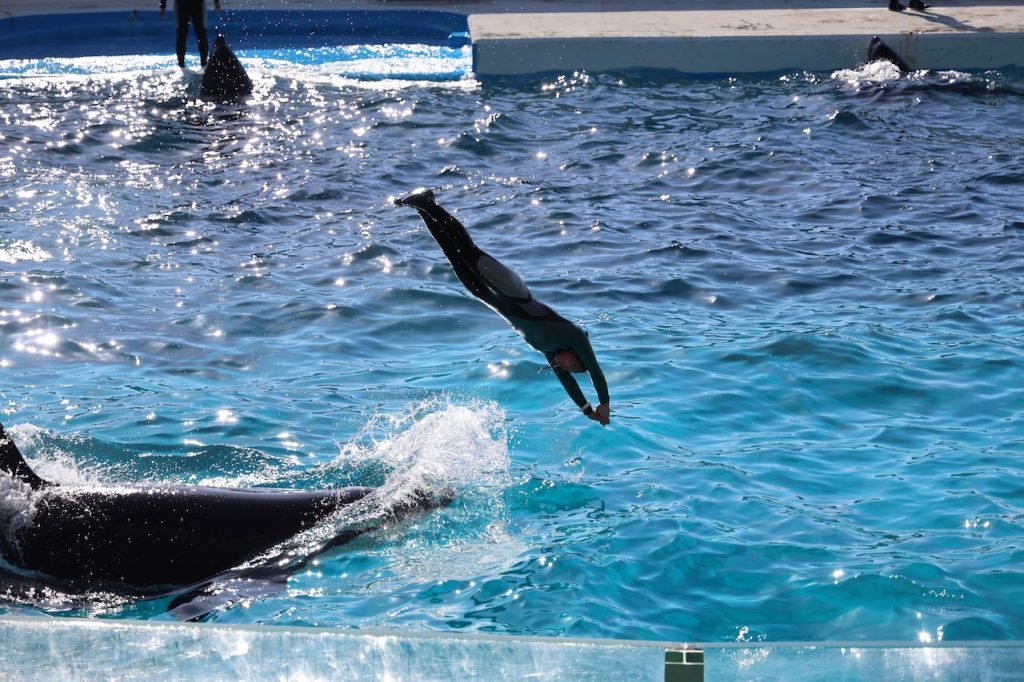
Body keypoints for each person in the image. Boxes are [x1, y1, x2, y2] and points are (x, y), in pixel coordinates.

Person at [395, 189, 611, 426]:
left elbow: (567, 384)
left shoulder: (550, 352)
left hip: (491, 298)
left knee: (455, 259)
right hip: (513, 291)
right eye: (574, 368)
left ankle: (423, 209)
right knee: (468, 252)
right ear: (576, 355)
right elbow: (595, 371)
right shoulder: (574, 335)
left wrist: (586, 410)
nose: (566, 369)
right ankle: (430, 204)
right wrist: (604, 403)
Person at [160, 0, 222, 69]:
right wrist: (163, 6)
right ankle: (181, 65)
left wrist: (216, 2)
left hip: (197, 4)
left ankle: (204, 64)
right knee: (182, 35)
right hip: (182, 5)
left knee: (201, 34)